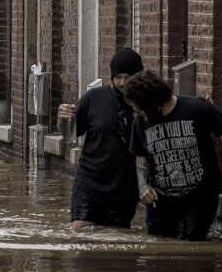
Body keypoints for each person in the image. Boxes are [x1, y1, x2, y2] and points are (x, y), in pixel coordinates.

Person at [123, 69, 222, 241]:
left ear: (153, 103)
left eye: (139, 109)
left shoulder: (198, 109)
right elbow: (141, 157)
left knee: (189, 251)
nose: (138, 113)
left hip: (199, 198)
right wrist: (143, 186)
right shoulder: (141, 121)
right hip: (160, 201)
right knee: (158, 252)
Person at [57, 48, 143, 228]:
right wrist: (62, 119)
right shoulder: (94, 98)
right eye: (118, 77)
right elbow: (70, 134)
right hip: (90, 182)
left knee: (115, 238)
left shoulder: (145, 104)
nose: (122, 82)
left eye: (128, 77)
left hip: (124, 187)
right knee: (80, 228)